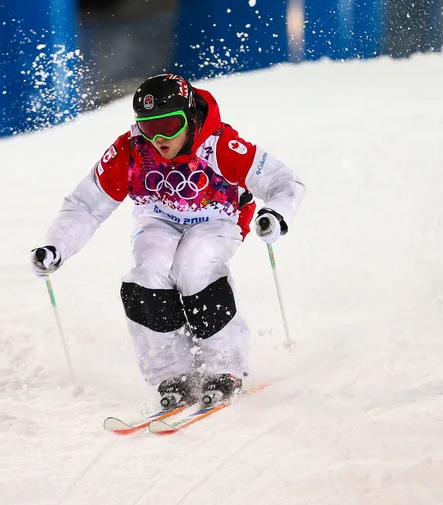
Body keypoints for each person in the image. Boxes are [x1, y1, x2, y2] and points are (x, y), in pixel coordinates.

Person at [31, 74, 305, 408]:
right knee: (149, 271)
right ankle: (173, 373)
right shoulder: (129, 151)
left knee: (194, 266)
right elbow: (86, 205)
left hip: (217, 216)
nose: (160, 138)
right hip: (158, 216)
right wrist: (56, 246)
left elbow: (283, 180)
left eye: (170, 124)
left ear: (189, 117)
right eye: (149, 127)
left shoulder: (219, 144)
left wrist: (275, 214)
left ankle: (225, 367)